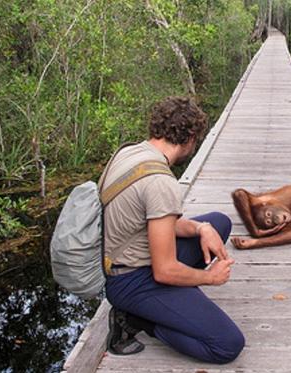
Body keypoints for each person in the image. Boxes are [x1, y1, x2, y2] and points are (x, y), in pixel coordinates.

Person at [100, 96, 244, 363]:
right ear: (189, 138)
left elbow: (157, 221)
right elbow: (164, 271)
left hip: (123, 260)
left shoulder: (130, 152)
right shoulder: (161, 182)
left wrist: (202, 228)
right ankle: (136, 320)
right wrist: (210, 278)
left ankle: (172, 302)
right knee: (227, 345)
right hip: (131, 280)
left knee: (217, 223)